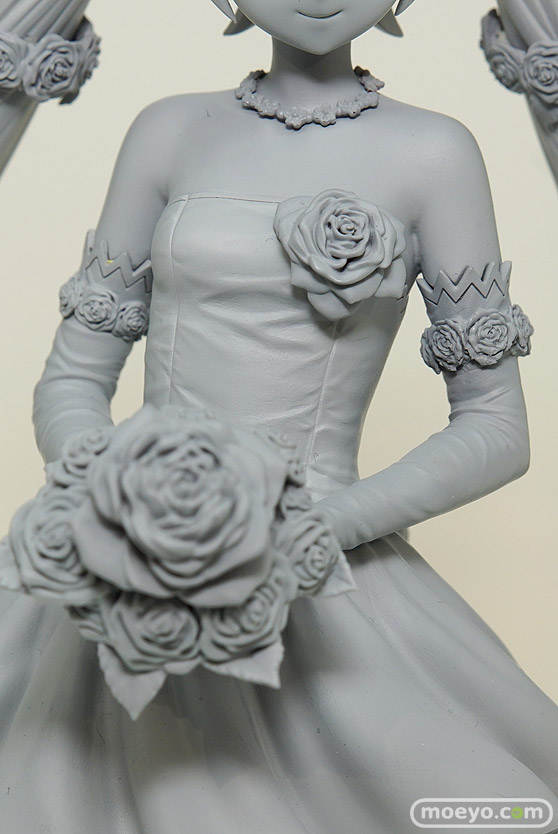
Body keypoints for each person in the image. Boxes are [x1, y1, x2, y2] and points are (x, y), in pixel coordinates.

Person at [1, 1, 557, 831]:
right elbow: (76, 374)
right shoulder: (166, 131)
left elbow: (496, 428)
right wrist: (119, 506)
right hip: (125, 561)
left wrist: (309, 529)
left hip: (321, 562)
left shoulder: (435, 152)